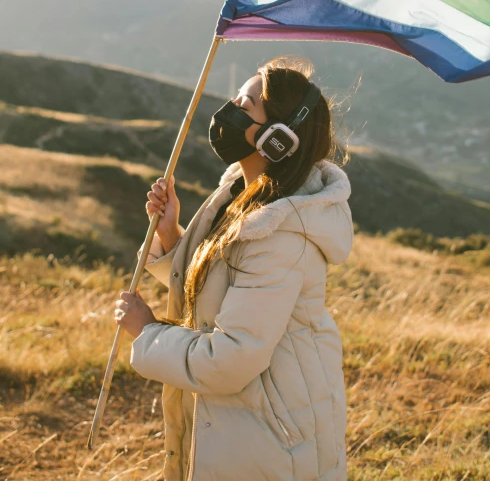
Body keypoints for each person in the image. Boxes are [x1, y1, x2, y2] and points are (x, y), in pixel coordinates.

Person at [114, 58, 354, 481]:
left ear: (278, 139)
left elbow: (229, 359)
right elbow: (221, 283)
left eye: (245, 104)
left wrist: (149, 331)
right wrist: (171, 235)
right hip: (243, 421)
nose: (228, 110)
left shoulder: (280, 234)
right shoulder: (241, 193)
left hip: (272, 436)